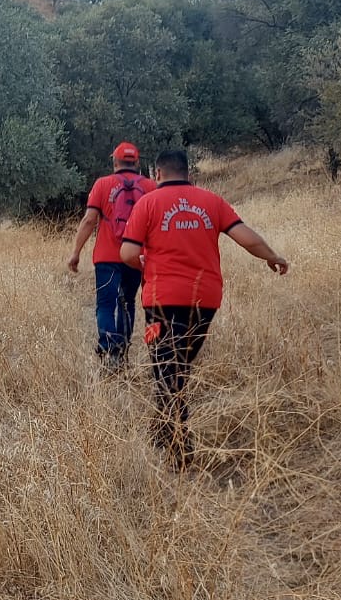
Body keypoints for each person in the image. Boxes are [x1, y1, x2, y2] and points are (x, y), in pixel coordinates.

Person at [120, 149, 289, 469]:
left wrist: (142, 261)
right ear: (187, 173)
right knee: (175, 367)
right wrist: (272, 256)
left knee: (168, 371)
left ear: (157, 174)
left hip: (161, 299)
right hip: (205, 300)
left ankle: (179, 452)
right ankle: (161, 431)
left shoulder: (148, 203)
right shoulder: (211, 201)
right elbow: (245, 237)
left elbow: (128, 252)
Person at [68, 142, 157, 372]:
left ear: (115, 162)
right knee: (127, 303)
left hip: (107, 257)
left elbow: (89, 220)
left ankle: (108, 349)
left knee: (105, 305)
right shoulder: (150, 186)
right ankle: (122, 353)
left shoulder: (103, 184)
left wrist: (76, 253)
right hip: (136, 256)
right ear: (137, 163)